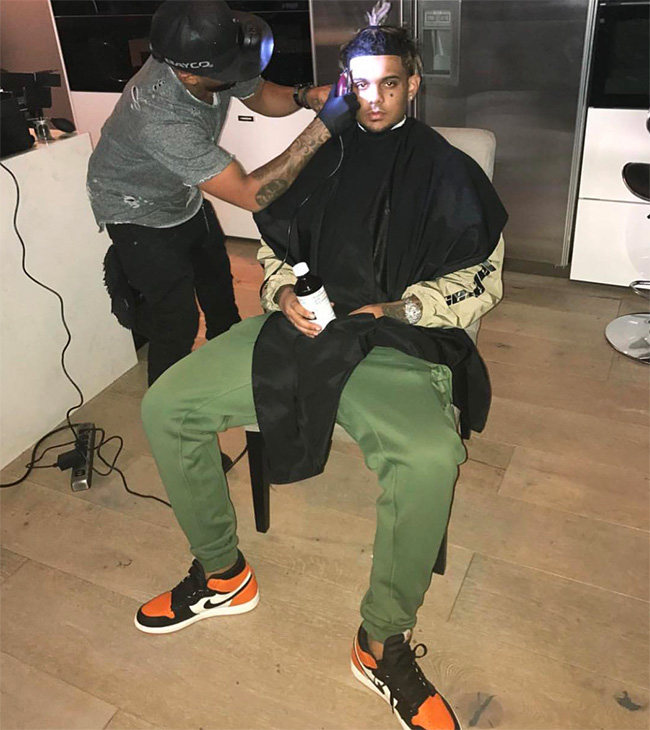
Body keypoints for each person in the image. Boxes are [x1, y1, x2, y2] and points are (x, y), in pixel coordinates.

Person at [135, 4, 507, 729]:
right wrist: (279, 293)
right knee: (165, 405)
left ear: (414, 84)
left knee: (430, 457)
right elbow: (275, 245)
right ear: (345, 86)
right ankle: (222, 573)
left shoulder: (449, 171)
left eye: (390, 84)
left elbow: (481, 281)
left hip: (396, 344)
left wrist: (398, 308)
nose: (375, 99)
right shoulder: (319, 156)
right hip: (302, 333)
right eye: (361, 85)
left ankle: (381, 641)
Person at [87, 0, 359, 387]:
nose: (236, 74)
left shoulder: (208, 60)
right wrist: (323, 128)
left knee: (218, 286)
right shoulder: (159, 115)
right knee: (176, 322)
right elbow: (251, 195)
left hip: (180, 192)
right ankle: (168, 409)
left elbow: (258, 93)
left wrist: (306, 96)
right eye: (228, 71)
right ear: (188, 75)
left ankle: (227, 372)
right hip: (134, 209)